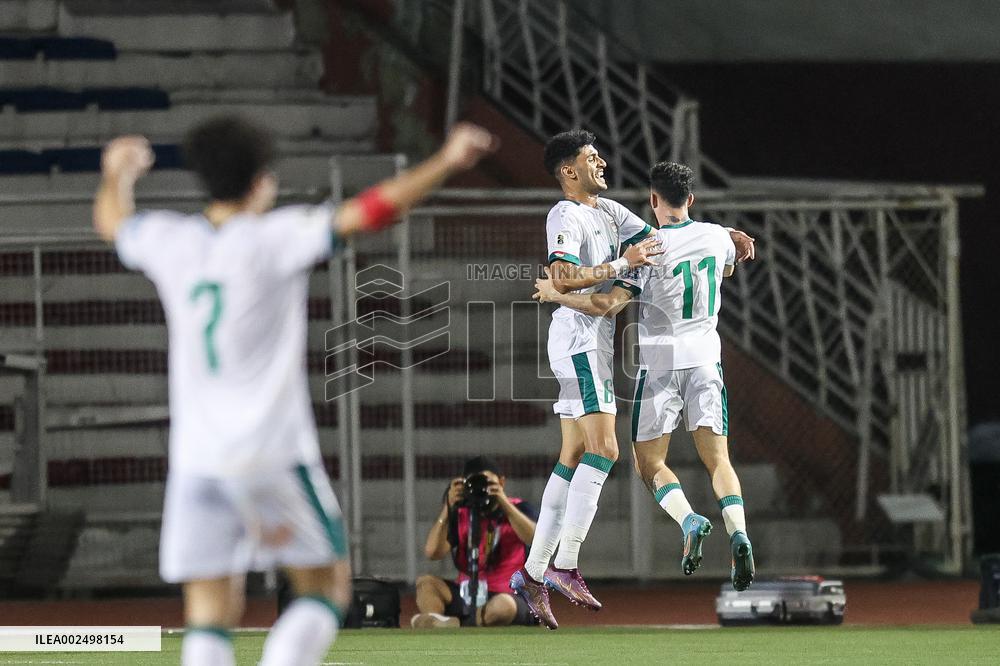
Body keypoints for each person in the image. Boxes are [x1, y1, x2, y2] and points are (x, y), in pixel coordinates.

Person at [92, 116, 498, 665]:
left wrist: (118, 172)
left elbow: (114, 222)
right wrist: (447, 161)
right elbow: (373, 210)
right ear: (261, 180)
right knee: (326, 589)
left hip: (196, 461)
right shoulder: (275, 237)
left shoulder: (171, 240)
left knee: (209, 612)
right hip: (272, 453)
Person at [532, 161, 755, 592]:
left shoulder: (648, 249)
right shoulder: (715, 237)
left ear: (653, 201)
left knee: (649, 463)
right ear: (690, 199)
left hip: (658, 366)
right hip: (706, 360)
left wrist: (557, 294)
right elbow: (728, 264)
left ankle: (688, 519)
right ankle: (739, 533)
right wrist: (731, 236)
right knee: (719, 461)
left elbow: (607, 306)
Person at [412, 456, 540, 629]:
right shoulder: (461, 513)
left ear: (501, 482)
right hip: (468, 593)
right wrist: (447, 509)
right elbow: (432, 552)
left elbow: (534, 538)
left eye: (487, 483)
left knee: (504, 606)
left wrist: (503, 502)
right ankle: (443, 621)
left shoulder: (518, 508)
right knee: (426, 583)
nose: (482, 488)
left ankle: (446, 625)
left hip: (509, 594)